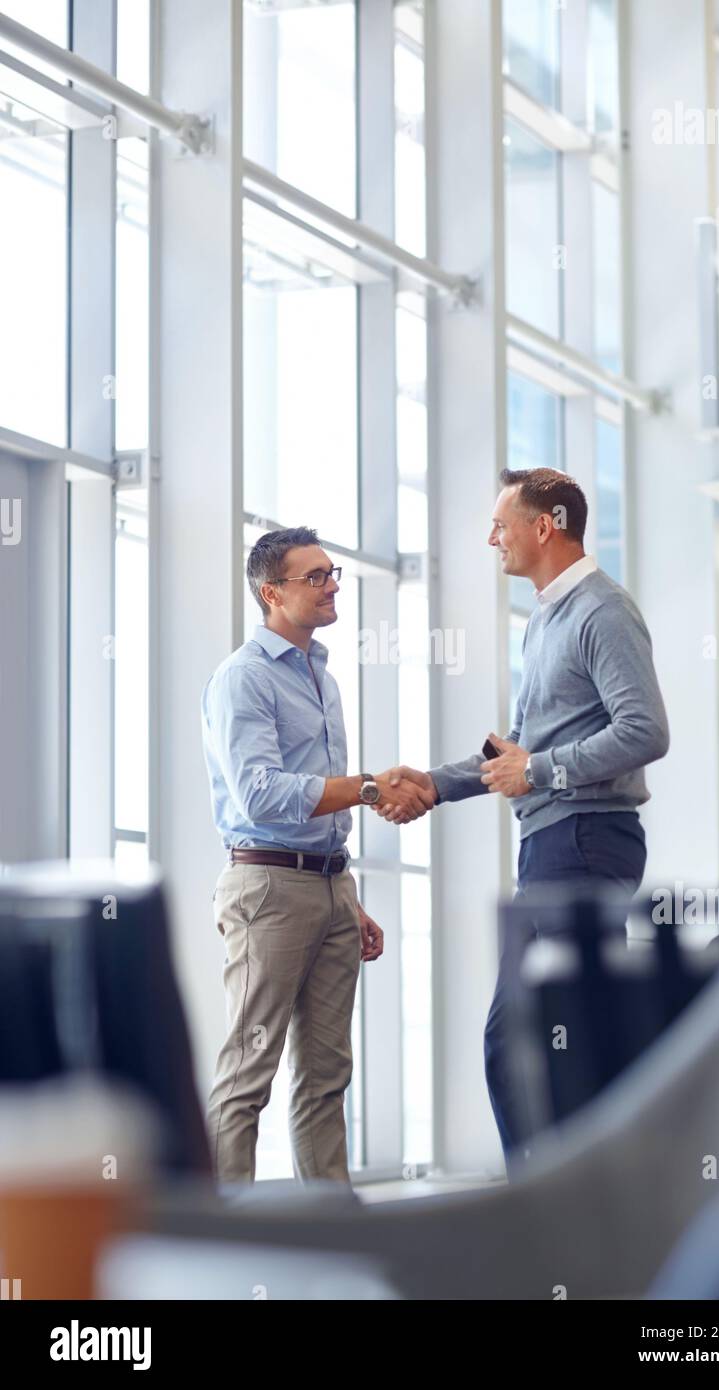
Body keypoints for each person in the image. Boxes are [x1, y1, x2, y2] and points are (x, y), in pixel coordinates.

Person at [378, 468, 670, 1159]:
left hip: (585, 840)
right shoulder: (547, 619)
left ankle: (547, 1213)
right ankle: (580, 1208)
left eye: (500, 525)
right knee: (557, 1035)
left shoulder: (601, 609)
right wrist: (434, 783)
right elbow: (518, 753)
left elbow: (645, 731)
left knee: (517, 1037)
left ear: (546, 526)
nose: (491, 539)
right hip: (552, 843)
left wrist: (536, 768)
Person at [201, 526, 434, 1184]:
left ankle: (327, 1227)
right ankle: (229, 1243)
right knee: (248, 1075)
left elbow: (316, 808)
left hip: (328, 887)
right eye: (316, 577)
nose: (333, 585)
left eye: (333, 573)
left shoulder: (320, 675)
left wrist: (346, 896)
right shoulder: (242, 679)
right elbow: (258, 795)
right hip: (267, 890)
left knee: (327, 1076)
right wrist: (366, 788)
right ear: (271, 593)